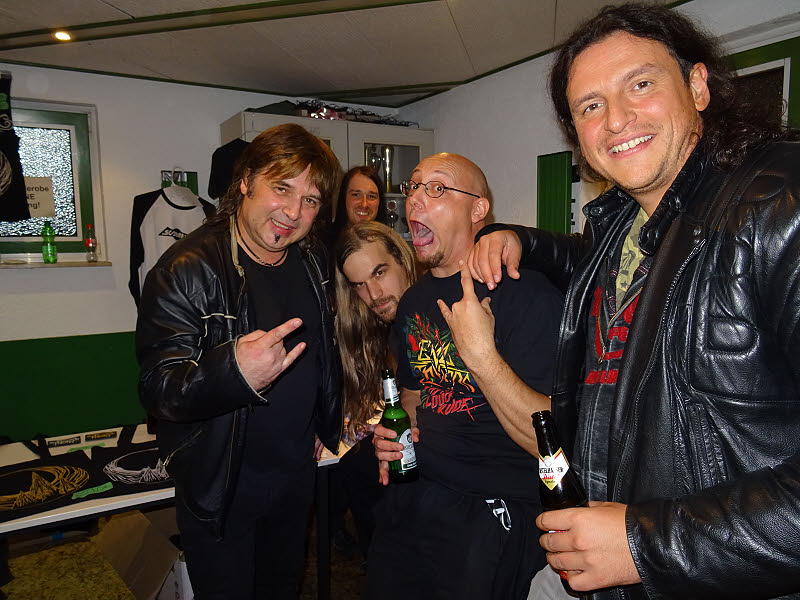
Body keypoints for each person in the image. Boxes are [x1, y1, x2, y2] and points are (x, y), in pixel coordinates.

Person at [469, 4, 800, 599]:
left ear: (698, 87)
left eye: (641, 85)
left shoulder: (780, 203)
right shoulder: (627, 221)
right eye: (590, 106)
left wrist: (643, 543)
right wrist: (519, 238)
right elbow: (591, 257)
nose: (616, 119)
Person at [136, 123, 342, 600]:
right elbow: (157, 388)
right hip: (222, 489)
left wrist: (323, 419)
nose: (294, 212)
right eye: (282, 188)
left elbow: (322, 351)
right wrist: (233, 372)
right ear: (246, 181)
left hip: (294, 478)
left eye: (311, 199)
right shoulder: (184, 270)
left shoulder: (312, 258)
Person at [365, 153, 565, 600]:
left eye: (437, 188)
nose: (415, 199)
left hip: (493, 509)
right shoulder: (414, 302)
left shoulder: (527, 295)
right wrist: (396, 432)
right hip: (417, 496)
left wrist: (481, 355)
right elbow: (413, 394)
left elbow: (555, 441)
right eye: (414, 187)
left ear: (478, 209)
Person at [330, 220, 418, 559]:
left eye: (380, 273)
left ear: (403, 259)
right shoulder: (373, 331)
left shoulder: (439, 312)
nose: (374, 295)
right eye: (359, 286)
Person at [327, 166, 387, 245]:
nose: (364, 204)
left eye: (371, 196)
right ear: (343, 197)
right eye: (356, 195)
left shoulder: (388, 245)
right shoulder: (324, 244)